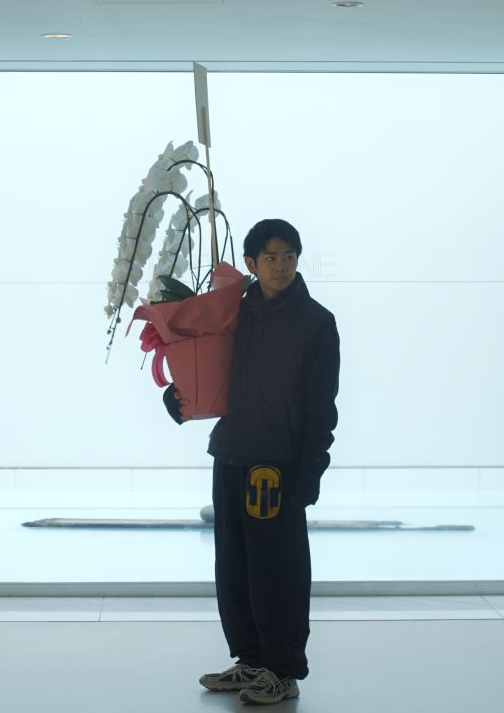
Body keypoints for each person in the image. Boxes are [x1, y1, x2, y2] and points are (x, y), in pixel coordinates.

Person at [164, 218, 340, 705]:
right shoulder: (231, 314)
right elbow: (205, 369)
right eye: (270, 257)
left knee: (277, 570)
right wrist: (177, 397)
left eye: (289, 256)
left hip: (276, 465)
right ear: (251, 263)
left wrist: (310, 472)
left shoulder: (316, 323)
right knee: (235, 566)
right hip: (231, 454)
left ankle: (282, 670)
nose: (281, 266)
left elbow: (322, 406)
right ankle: (251, 660)